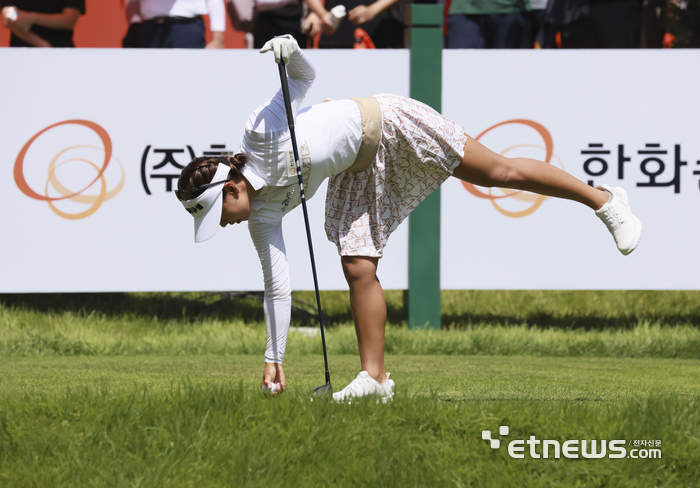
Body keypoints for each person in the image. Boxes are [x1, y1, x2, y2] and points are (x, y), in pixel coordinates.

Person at [175, 35, 642, 403]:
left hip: (388, 122)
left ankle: (601, 200)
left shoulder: (260, 133)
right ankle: (374, 379)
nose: (225, 224)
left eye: (220, 214)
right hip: (357, 168)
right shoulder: (260, 216)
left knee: (499, 171)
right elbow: (278, 285)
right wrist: (273, 359)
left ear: (231, 187)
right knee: (357, 263)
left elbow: (302, 78)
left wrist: (290, 48)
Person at [131, 0, 226, 49]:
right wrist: (134, 24)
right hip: (150, 29)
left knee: (189, 77)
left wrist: (217, 39)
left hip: (186, 29)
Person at [1, 0, 84, 47]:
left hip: (61, 55)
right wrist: (39, 43)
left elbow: (70, 19)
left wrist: (32, 18)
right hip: (21, 57)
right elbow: (8, 15)